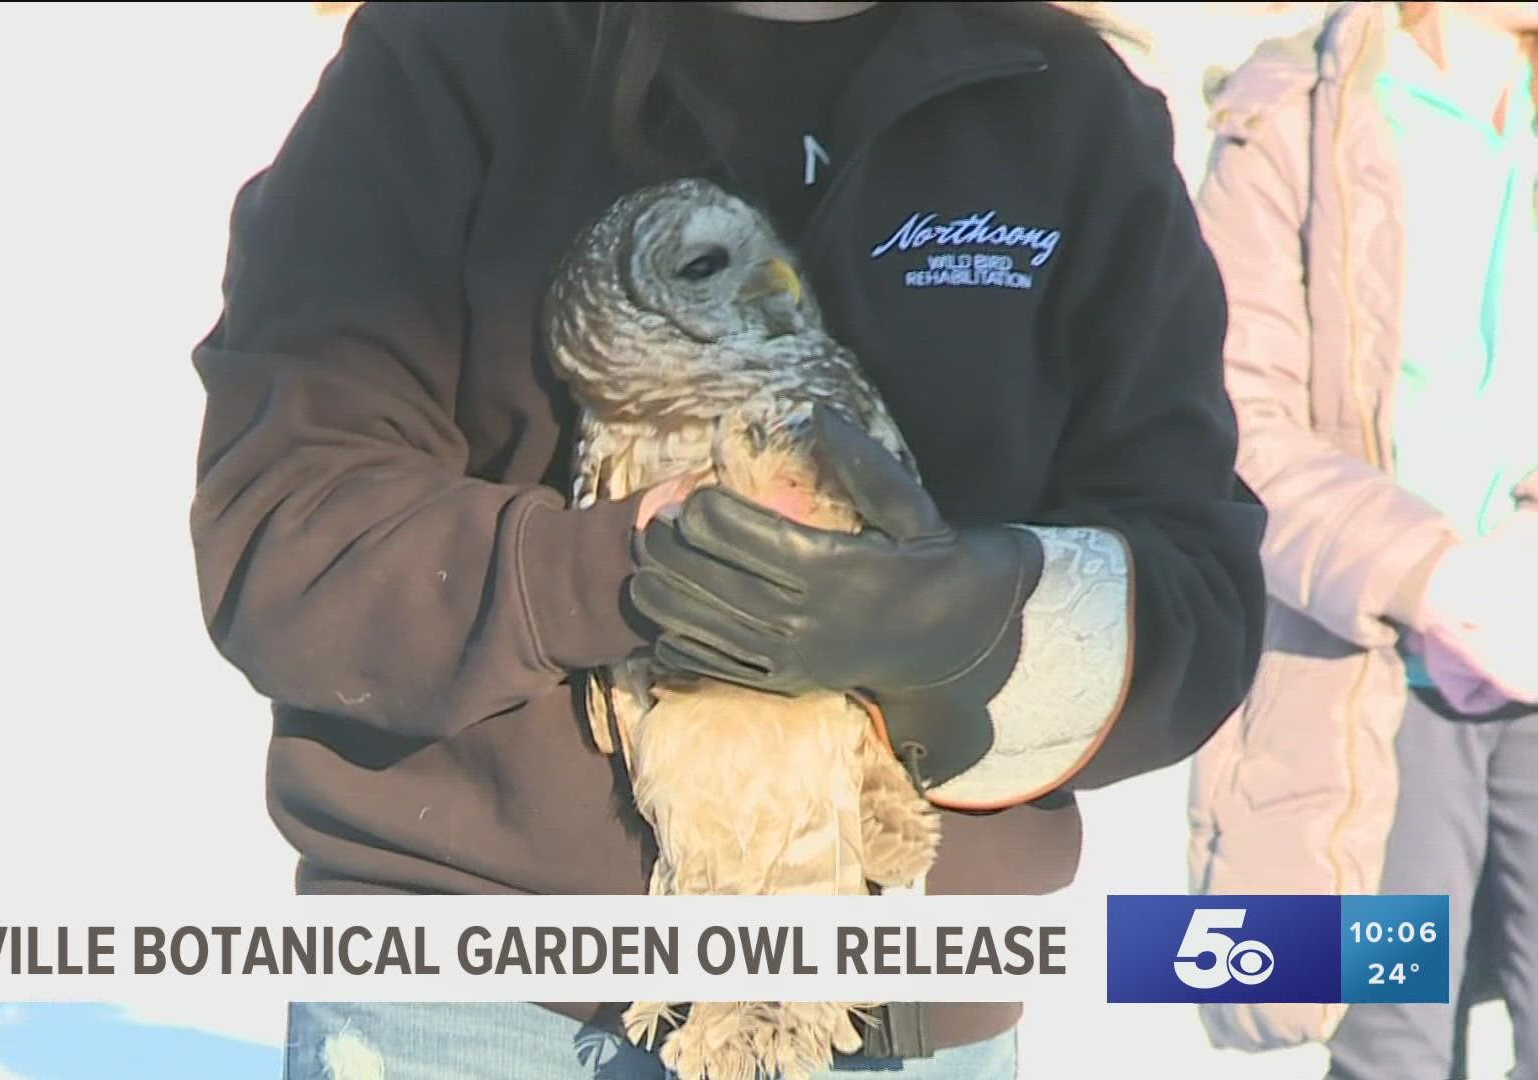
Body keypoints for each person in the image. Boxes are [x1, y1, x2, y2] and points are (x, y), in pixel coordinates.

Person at [189, 2, 1268, 1076]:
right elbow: (288, 529)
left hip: (888, 1005)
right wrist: (615, 571)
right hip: (487, 992)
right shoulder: (465, 51)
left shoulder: (1057, 105)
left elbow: (1198, 594)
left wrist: (968, 620)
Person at [1188, 3, 1538, 1077]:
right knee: (1387, 1043)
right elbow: (1228, 416)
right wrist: (1434, 577)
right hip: (1362, 677)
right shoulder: (1286, 110)